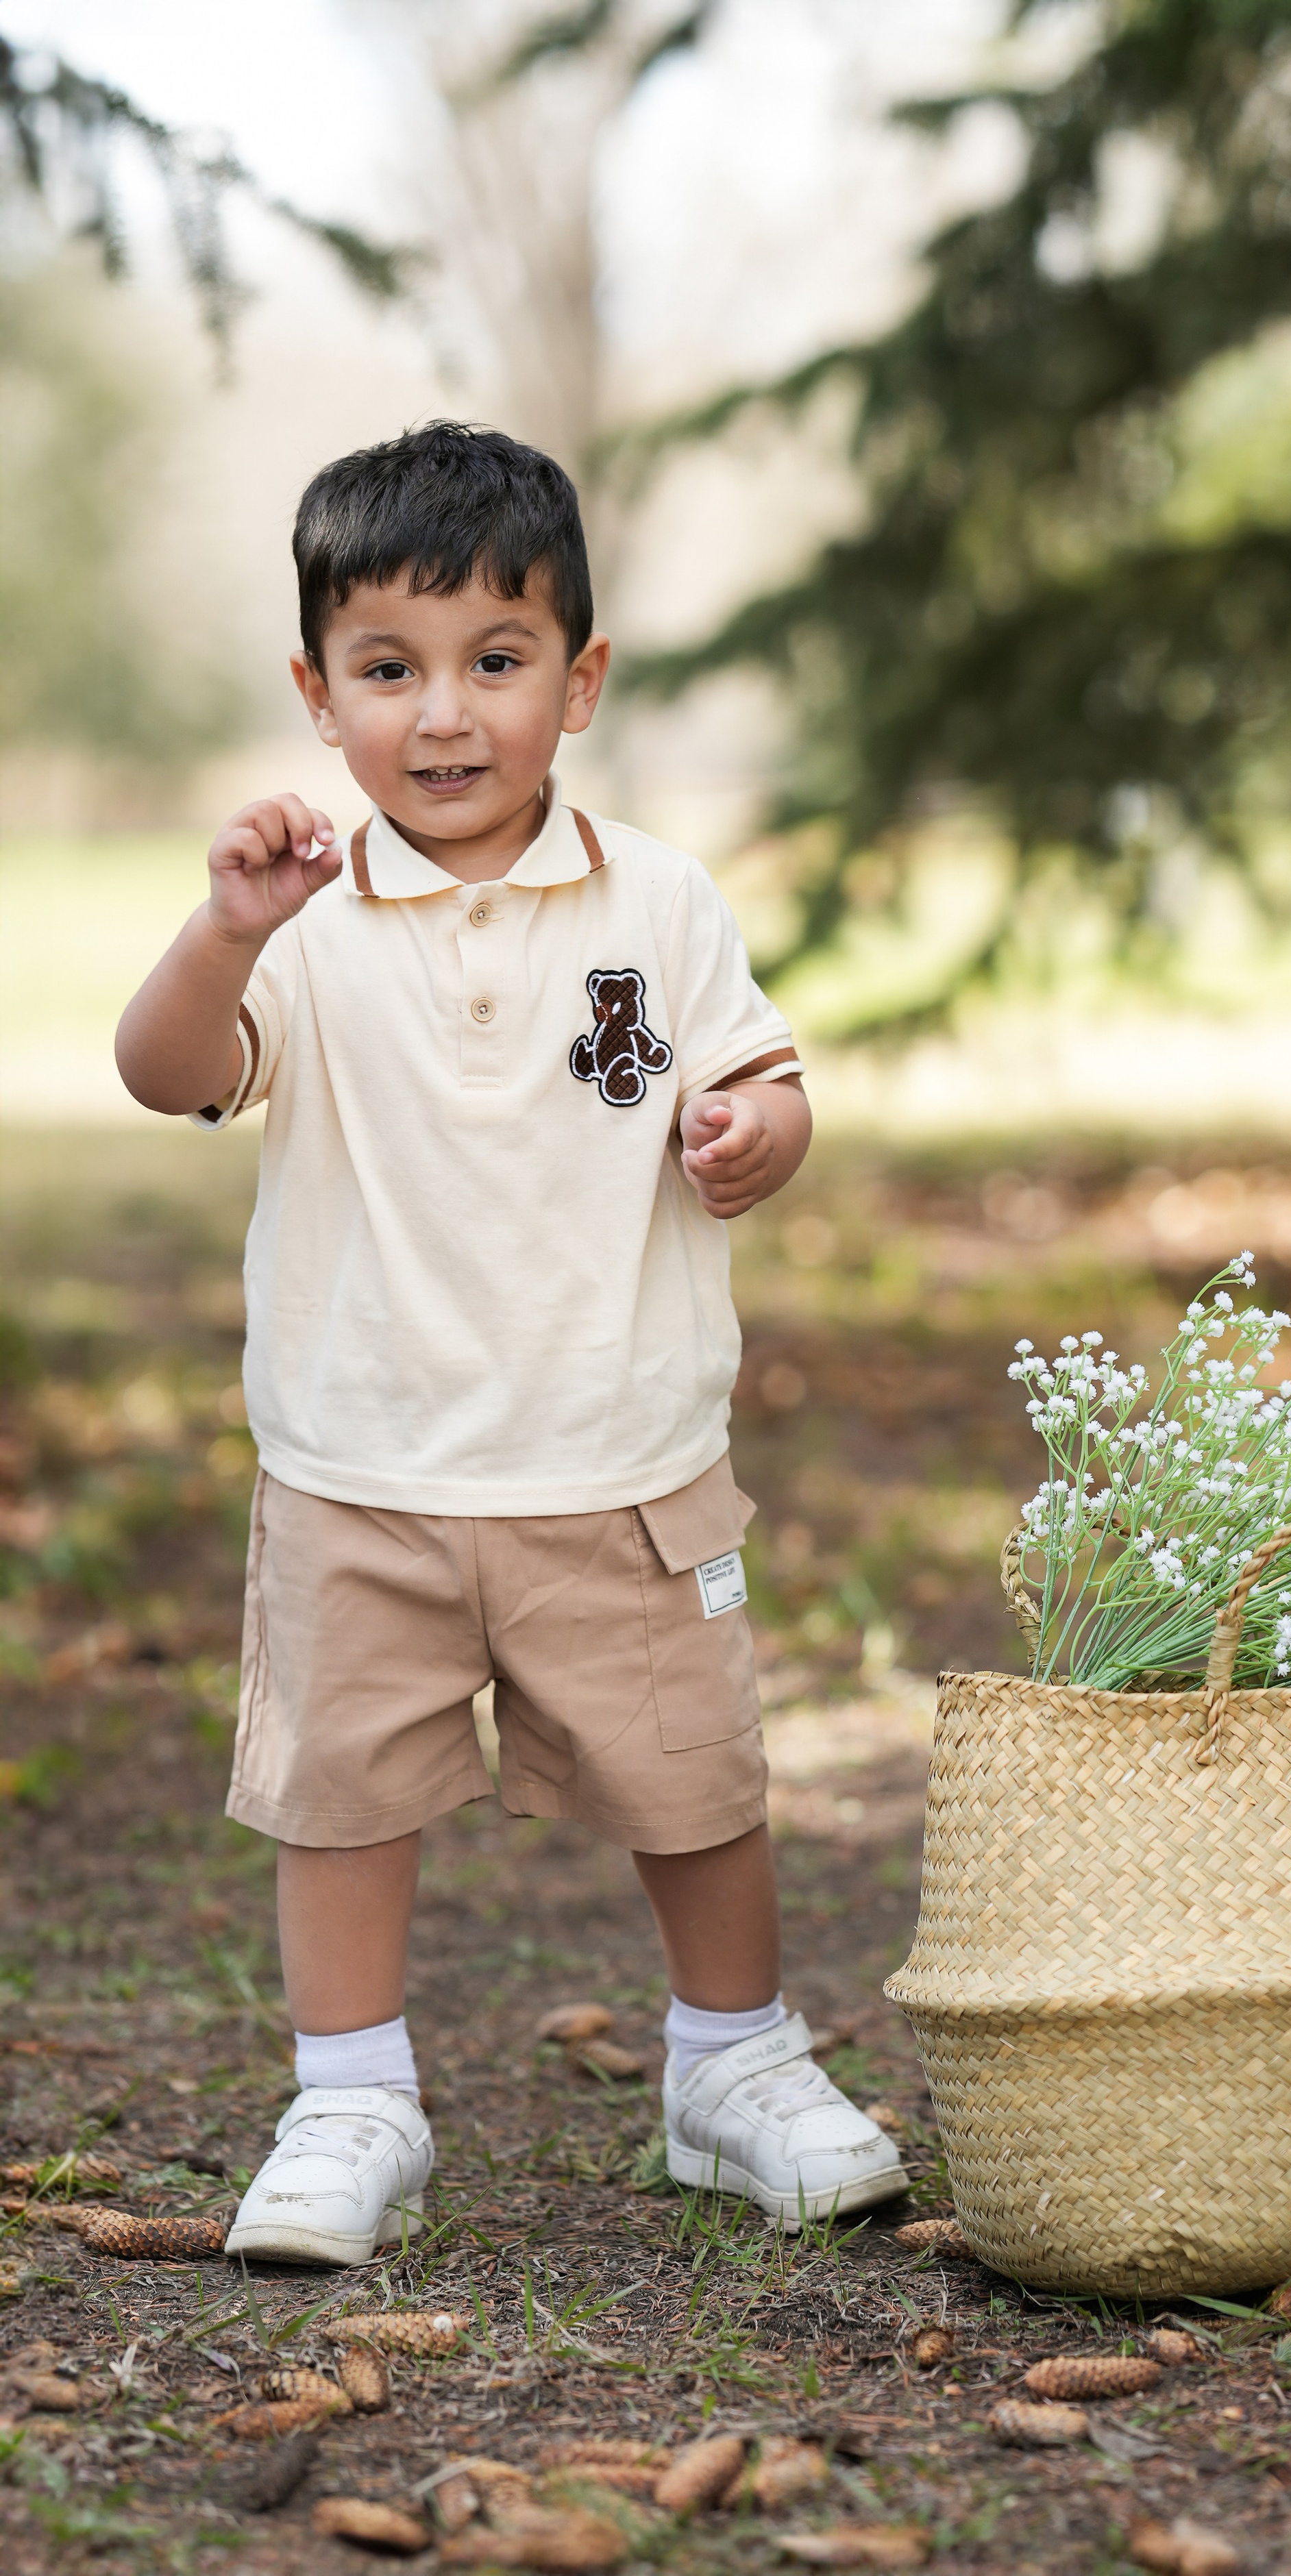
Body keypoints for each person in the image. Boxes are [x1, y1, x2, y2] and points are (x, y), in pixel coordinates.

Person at [115, 421, 905, 2264]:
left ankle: (733, 2062)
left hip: (616, 1451)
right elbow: (168, 1079)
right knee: (343, 1800)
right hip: (359, 1461)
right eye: (391, 670)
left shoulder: (658, 902)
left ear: (582, 678)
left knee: (697, 1784)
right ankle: (351, 2095)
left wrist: (751, 1138)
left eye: (497, 660)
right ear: (319, 696)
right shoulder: (300, 924)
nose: (447, 715)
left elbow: (765, 1083)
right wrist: (223, 933)